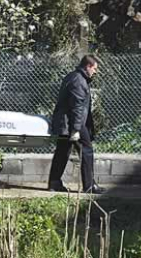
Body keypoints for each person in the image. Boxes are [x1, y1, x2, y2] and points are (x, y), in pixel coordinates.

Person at [48, 54, 106, 194]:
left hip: (65, 122)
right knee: (86, 150)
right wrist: (75, 129)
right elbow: (76, 107)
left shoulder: (73, 76)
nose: (95, 72)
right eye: (94, 69)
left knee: (62, 152)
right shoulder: (79, 81)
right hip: (73, 122)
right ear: (88, 66)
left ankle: (54, 183)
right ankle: (89, 185)